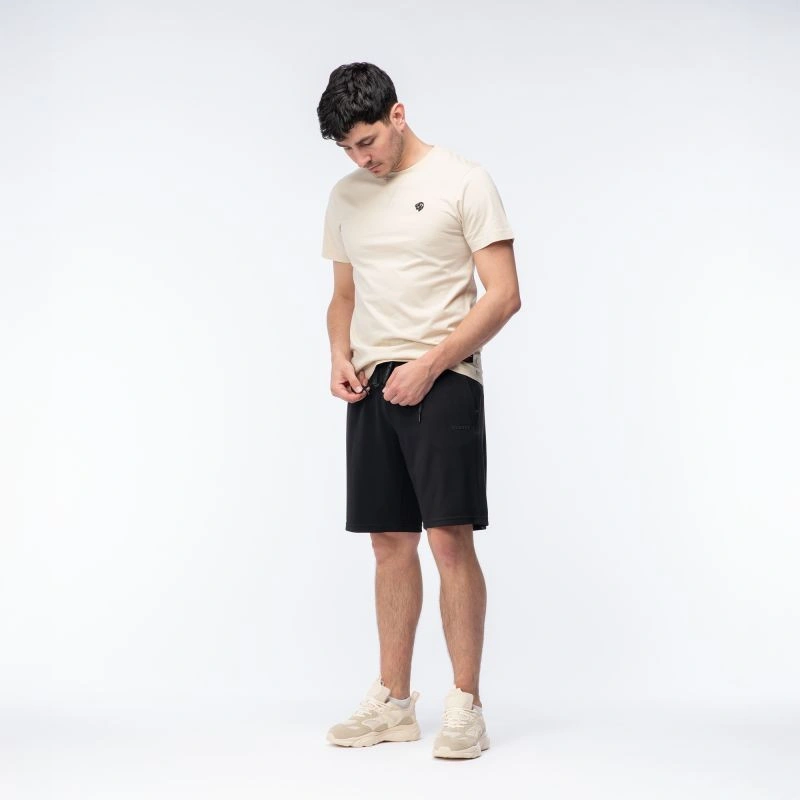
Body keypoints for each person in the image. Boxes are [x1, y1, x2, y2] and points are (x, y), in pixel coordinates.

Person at [316, 62, 521, 759]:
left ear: (397, 115)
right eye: (348, 148)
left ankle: (466, 705)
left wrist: (429, 365)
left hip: (445, 378)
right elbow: (344, 295)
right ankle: (395, 703)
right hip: (372, 385)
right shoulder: (346, 195)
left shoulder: (464, 181)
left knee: (449, 541)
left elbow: (503, 294)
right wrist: (339, 354)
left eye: (368, 141)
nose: (361, 158)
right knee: (388, 544)